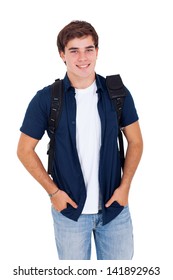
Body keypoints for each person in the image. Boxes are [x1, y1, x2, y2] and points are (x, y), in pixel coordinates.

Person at [17, 20, 143, 260]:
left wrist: (125, 187)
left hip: (114, 209)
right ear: (62, 54)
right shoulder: (46, 99)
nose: (82, 57)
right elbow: (24, 150)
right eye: (74, 50)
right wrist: (53, 193)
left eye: (89, 49)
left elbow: (136, 142)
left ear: (97, 51)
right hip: (70, 212)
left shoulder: (117, 93)